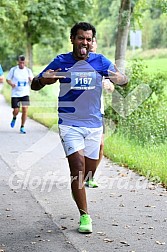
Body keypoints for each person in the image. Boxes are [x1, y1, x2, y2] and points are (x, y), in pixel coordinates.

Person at [31, 22, 128, 233]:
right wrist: (42, 79)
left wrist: (118, 78)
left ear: (92, 41)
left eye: (88, 39)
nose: (85, 42)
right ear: (73, 39)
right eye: (81, 38)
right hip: (69, 123)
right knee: (77, 167)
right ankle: (85, 216)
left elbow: (123, 80)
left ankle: (86, 181)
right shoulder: (61, 61)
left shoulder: (100, 61)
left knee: (89, 170)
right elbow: (35, 84)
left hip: (93, 124)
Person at [85, 37, 115, 188]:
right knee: (83, 147)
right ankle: (80, 173)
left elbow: (112, 87)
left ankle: (90, 176)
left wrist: (108, 85)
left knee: (100, 146)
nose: (90, 44)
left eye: (93, 41)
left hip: (98, 112)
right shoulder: (78, 62)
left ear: (96, 44)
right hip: (80, 113)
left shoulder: (102, 63)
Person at [6, 55, 34, 134]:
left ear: (25, 63)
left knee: (25, 109)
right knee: (16, 110)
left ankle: (22, 127)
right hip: (15, 94)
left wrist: (31, 80)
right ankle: (14, 117)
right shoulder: (13, 70)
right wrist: (12, 84)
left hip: (25, 93)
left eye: (23, 63)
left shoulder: (28, 71)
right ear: (18, 62)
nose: (21, 64)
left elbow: (32, 80)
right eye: (20, 62)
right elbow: (8, 79)